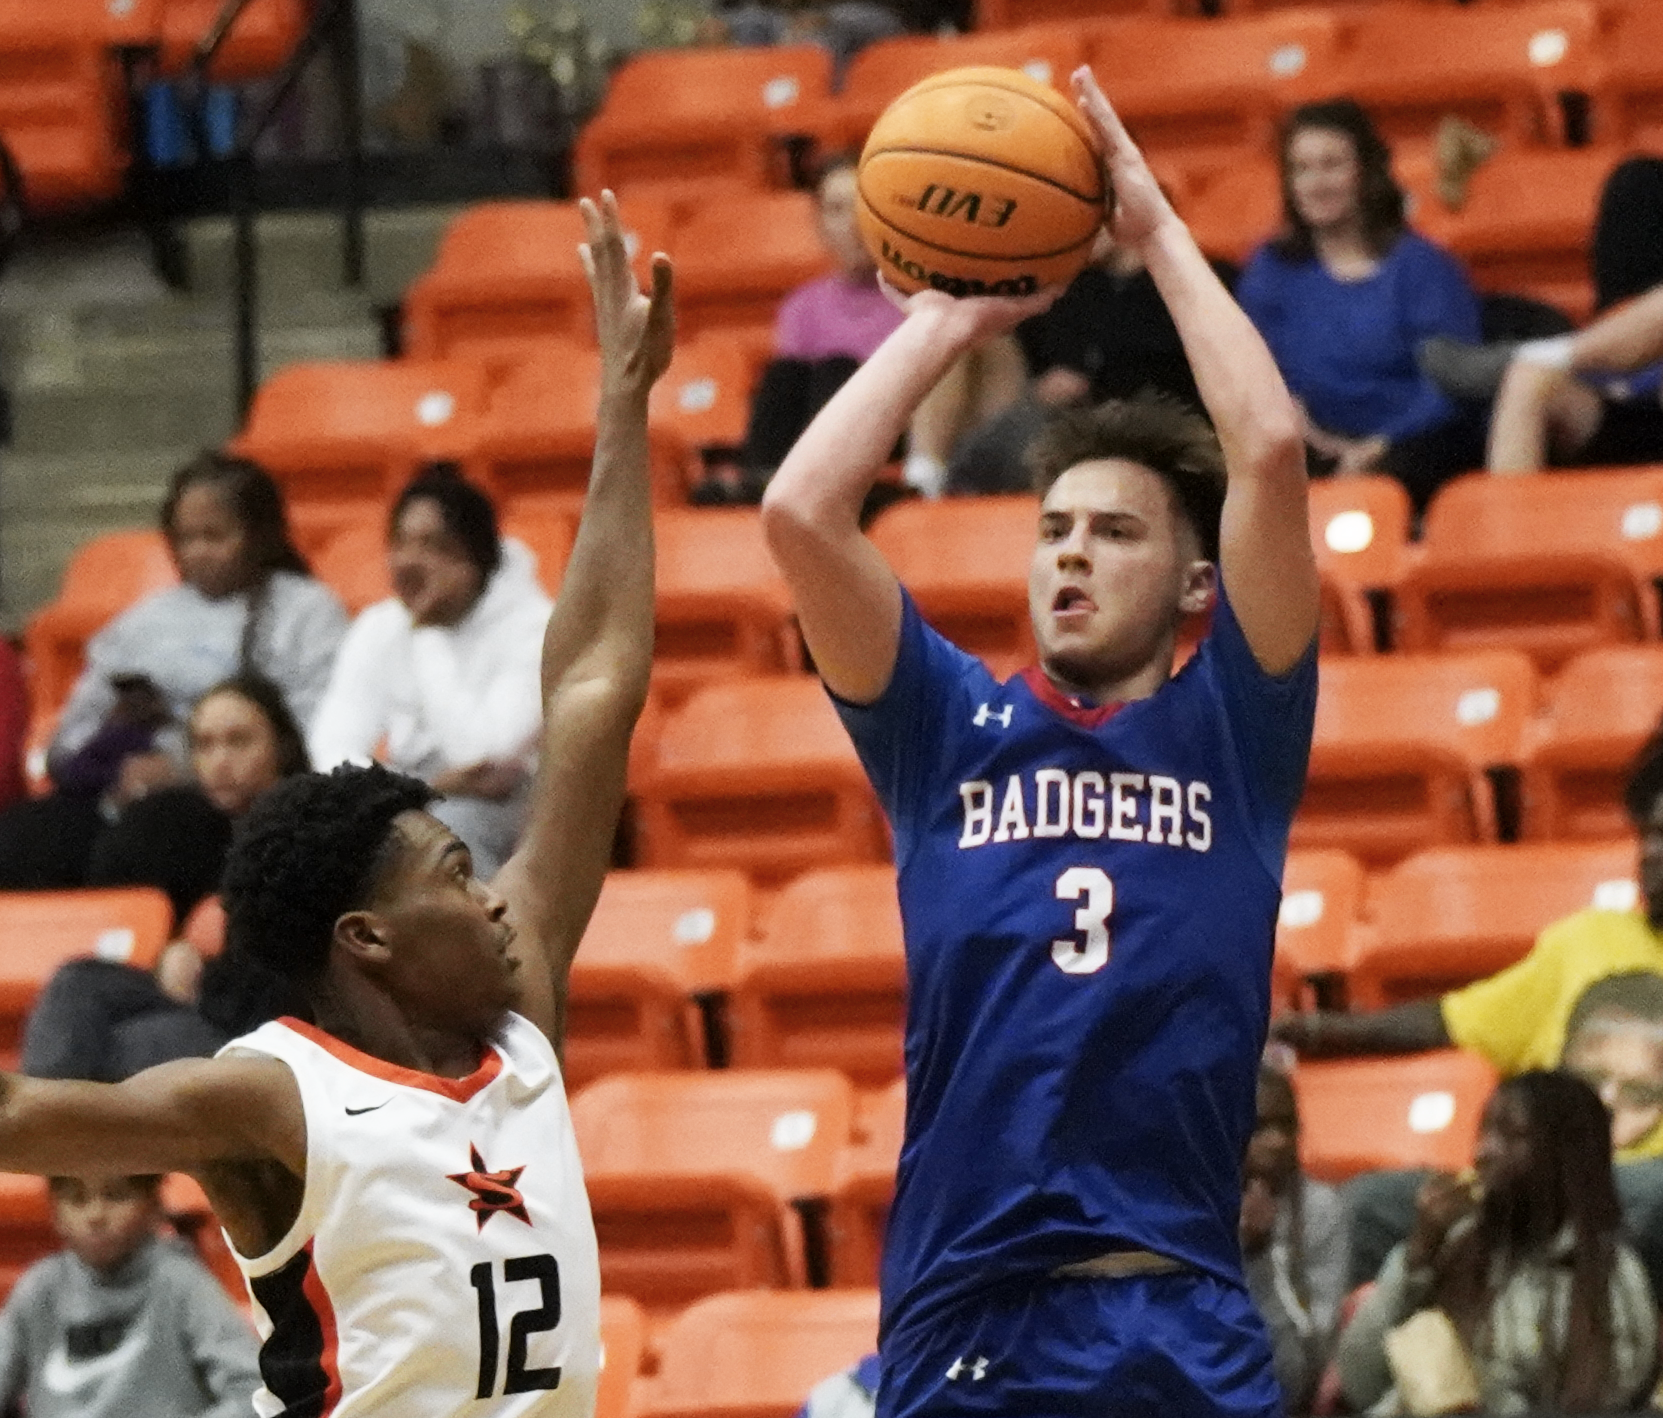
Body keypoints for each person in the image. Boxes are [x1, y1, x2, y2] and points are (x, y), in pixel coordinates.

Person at [0, 193, 670, 1417]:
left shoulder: (517, 1021)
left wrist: (624, 411)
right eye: (452, 875)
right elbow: (19, 1118)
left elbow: (590, 686)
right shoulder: (272, 1092)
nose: (492, 894)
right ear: (366, 935)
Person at [761, 65, 1319, 1418]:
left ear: (1196, 585)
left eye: (1115, 532)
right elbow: (798, 509)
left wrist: (1154, 232)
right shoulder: (944, 728)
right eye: (1053, 530)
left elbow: (1265, 445)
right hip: (966, 1309)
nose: (1071, 554)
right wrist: (944, 321)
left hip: (1177, 1313)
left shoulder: (1230, 731)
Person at [1274, 733, 1663, 1292]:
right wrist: (1314, 1029)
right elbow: (1448, 1019)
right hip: (1535, 1190)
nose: (1649, 854)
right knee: (1369, 1204)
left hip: (1637, 1200)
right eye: (1646, 836)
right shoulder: (1587, 942)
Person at [0, 454, 346, 892]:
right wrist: (114, 741)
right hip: (122, 792)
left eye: (214, 536)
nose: (197, 552)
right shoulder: (141, 622)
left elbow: (310, 737)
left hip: (236, 805)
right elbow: (68, 744)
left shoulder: (308, 612)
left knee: (146, 841)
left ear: (261, 535)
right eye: (184, 538)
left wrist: (187, 767)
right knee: (22, 841)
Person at [21, 674, 312, 1085]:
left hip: (263, 1028)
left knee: (117, 1046)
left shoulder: (305, 833)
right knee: (77, 981)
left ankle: (41, 1118)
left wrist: (203, 971)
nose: (220, 760)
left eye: (239, 741)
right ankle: (43, 1116)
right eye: (205, 745)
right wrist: (174, 955)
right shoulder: (185, 827)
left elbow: (287, 985)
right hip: (201, 999)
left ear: (282, 747)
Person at [1335, 1072, 1657, 1416]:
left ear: (1563, 1155)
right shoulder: (1453, 1246)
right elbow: (1359, 1383)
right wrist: (1417, 1256)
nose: (1482, 1152)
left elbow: (1609, 1400)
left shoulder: (1608, 1278)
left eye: (1510, 1135)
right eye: (1484, 1132)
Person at [1236, 99, 1484, 510]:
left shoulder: (1423, 267)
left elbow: (1450, 383)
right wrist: (1300, 427)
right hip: (1307, 445)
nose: (1316, 183)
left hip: (1413, 446)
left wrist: (1375, 449)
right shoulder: (1270, 268)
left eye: (1332, 165)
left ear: (1366, 172)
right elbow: (1255, 371)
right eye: (1302, 169)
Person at [308, 470, 554, 880]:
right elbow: (332, 745)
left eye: (432, 546)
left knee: (440, 834)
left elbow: (481, 756)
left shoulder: (534, 626)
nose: (408, 561)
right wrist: (416, 788)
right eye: (400, 543)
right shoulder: (378, 626)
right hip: (404, 794)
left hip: (508, 806)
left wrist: (426, 632)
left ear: (474, 557)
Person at [0, 1172, 261, 1418]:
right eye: (77, 1199)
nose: (95, 1215)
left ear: (155, 1206)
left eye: (116, 1196)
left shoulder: (182, 1284)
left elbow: (253, 1392)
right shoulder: (40, 1288)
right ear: (55, 1211)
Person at [723, 153, 905, 502]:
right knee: (784, 375)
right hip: (805, 442)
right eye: (836, 210)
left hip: (882, 441)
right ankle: (760, 482)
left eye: (862, 207)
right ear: (820, 224)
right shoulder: (801, 307)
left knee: (838, 370)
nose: (851, 223)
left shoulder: (913, 301)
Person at [1242, 1064, 1348, 1415]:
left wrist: (1258, 1256)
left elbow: (1297, 1375)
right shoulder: (1193, 1210)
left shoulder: (1319, 1209)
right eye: (1260, 1127)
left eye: (1287, 1125)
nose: (1279, 1141)